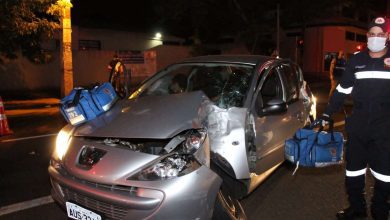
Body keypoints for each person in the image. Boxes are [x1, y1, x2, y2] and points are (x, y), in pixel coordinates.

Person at [317, 17, 390, 220]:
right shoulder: (357, 61)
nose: (376, 38)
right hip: (358, 124)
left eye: (380, 34)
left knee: (385, 174)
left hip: (385, 127)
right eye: (372, 34)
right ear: (367, 36)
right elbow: (342, 90)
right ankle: (357, 209)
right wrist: (326, 113)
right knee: (353, 171)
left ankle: (380, 210)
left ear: (387, 36)